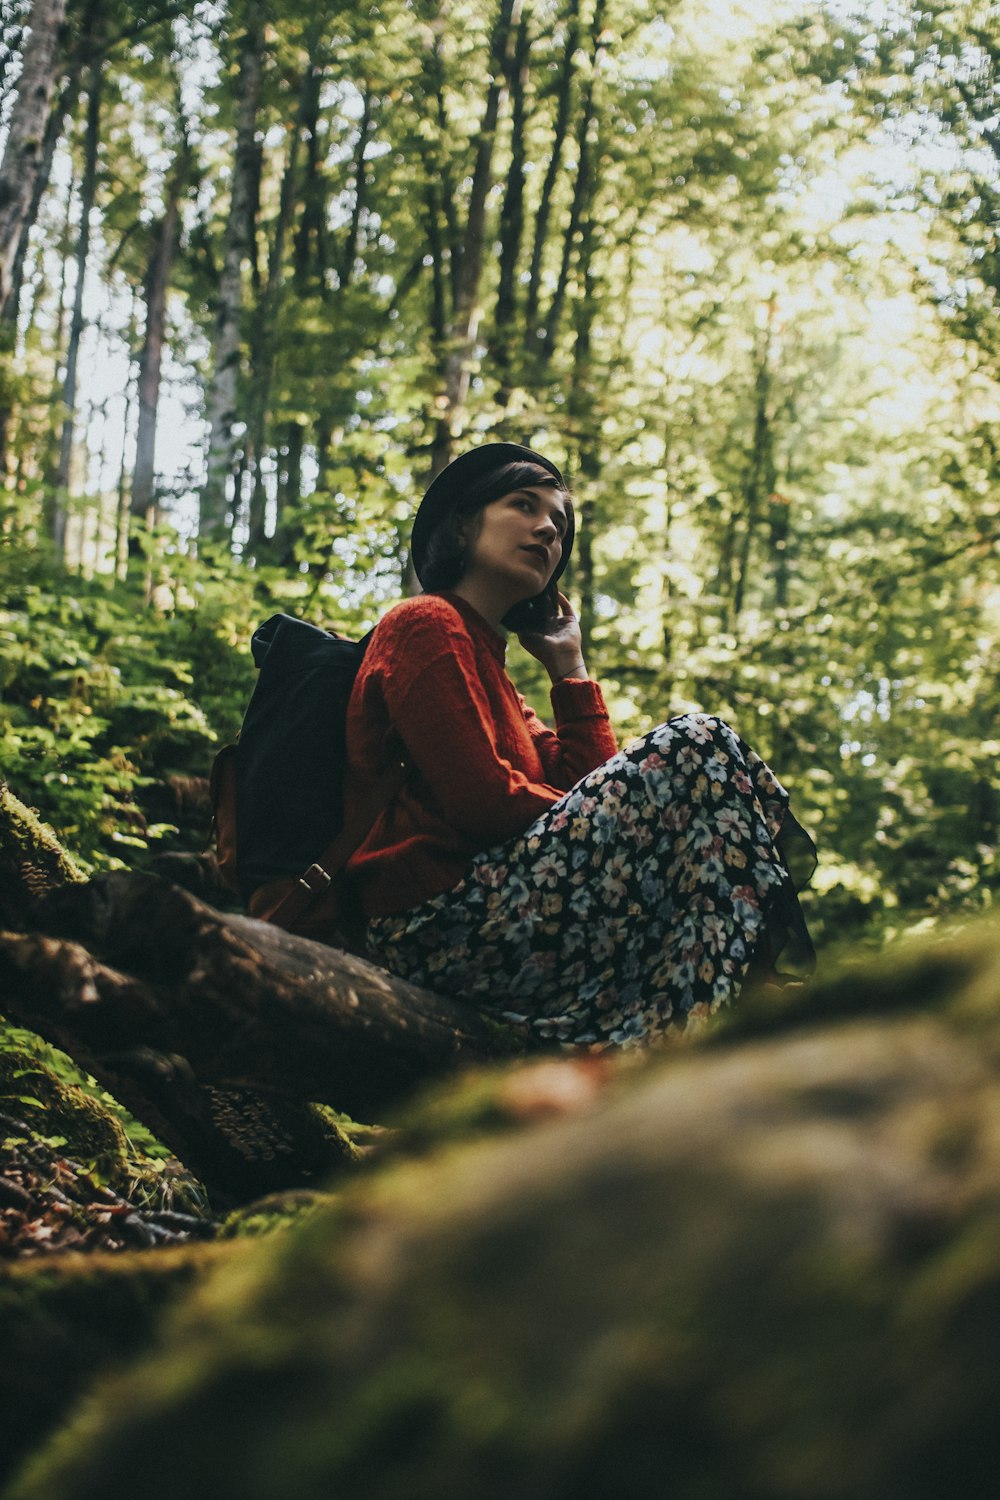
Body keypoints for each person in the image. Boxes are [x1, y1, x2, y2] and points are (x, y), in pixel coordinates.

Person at [344, 442, 815, 1047]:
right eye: (524, 505)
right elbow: (487, 805)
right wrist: (620, 815)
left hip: (502, 907)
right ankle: (733, 1001)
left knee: (701, 771)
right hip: (435, 922)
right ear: (461, 523)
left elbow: (588, 782)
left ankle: (711, 1020)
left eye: (559, 524)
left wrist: (569, 668)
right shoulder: (424, 624)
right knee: (699, 741)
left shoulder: (498, 675)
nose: (547, 530)